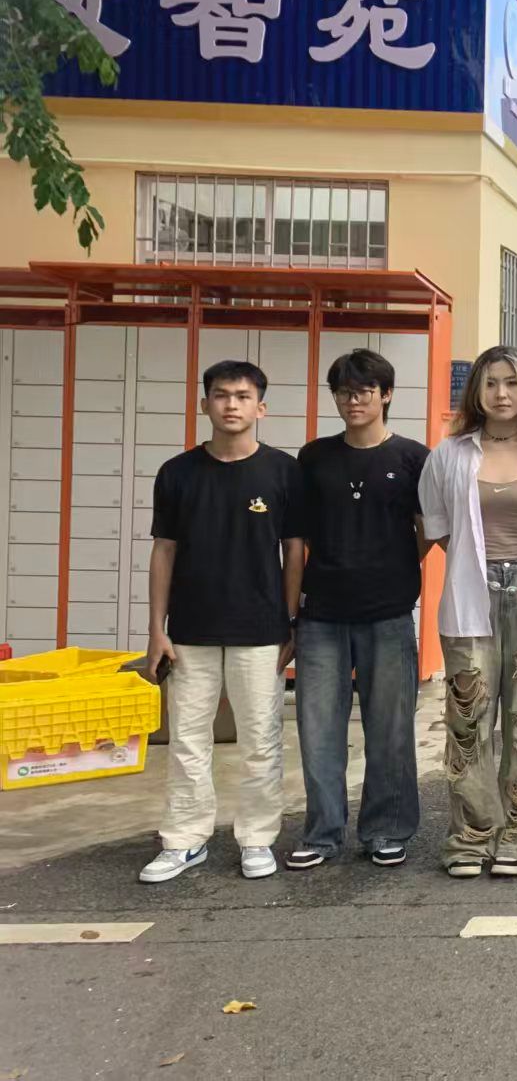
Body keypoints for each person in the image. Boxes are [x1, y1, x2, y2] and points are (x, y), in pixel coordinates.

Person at [138, 361, 305, 884]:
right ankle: (185, 839)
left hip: (261, 629)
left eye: (242, 395)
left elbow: (294, 552)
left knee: (261, 740)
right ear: (204, 403)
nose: (231, 404)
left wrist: (291, 620)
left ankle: (257, 838)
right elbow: (164, 551)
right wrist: (157, 629)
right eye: (221, 395)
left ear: (261, 407)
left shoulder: (283, 471)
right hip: (190, 629)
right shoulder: (177, 473)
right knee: (188, 740)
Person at [419, 346, 517, 879]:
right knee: (468, 719)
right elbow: (437, 524)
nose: (502, 393)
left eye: (512, 382)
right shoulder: (450, 454)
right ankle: (470, 837)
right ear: (477, 392)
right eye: (490, 383)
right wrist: (481, 567)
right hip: (472, 596)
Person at [286, 350, 431, 871]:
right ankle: (322, 833)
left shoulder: (413, 458)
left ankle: (387, 829)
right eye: (344, 392)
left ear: (385, 395)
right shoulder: (314, 457)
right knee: (318, 729)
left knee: (390, 729)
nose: (354, 401)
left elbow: (426, 531)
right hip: (321, 614)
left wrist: (389, 567)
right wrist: (291, 615)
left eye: (365, 391)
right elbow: (298, 538)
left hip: (388, 612)